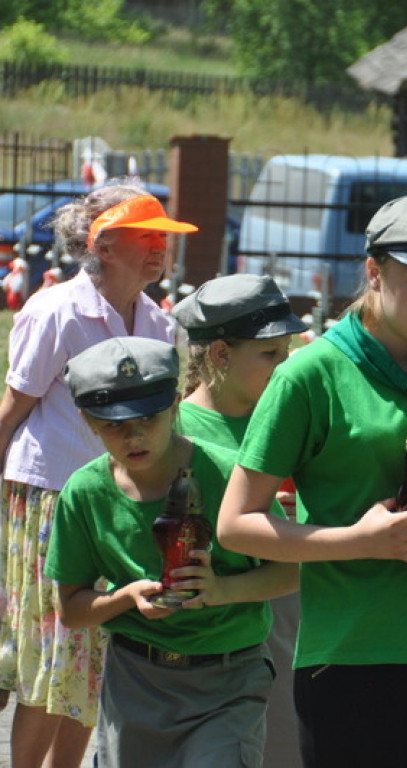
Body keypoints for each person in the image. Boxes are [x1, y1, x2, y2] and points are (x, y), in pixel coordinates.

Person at [217, 195, 407, 768]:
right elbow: (236, 525)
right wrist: (362, 541)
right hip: (353, 653)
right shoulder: (310, 374)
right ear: (374, 271)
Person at [0, 185, 196, 768]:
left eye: (163, 236)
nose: (159, 246)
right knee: (52, 656)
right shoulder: (55, 310)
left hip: (117, 503)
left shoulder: (158, 324)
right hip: (50, 499)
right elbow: (13, 410)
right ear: (103, 246)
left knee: (93, 661)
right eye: (145, 235)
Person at [44, 337, 296, 768]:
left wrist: (219, 590)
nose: (134, 435)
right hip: (136, 683)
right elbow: (72, 609)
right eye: (115, 424)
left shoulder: (228, 474)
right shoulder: (84, 494)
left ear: (175, 405)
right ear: (88, 421)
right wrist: (127, 597)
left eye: (149, 418)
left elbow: (291, 572)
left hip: (229, 681)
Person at [171, 273, 308, 768]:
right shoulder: (174, 431)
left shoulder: (293, 415)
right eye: (269, 354)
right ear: (221, 355)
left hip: (289, 612)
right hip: (205, 636)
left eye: (286, 352)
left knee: (284, 748)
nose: (283, 366)